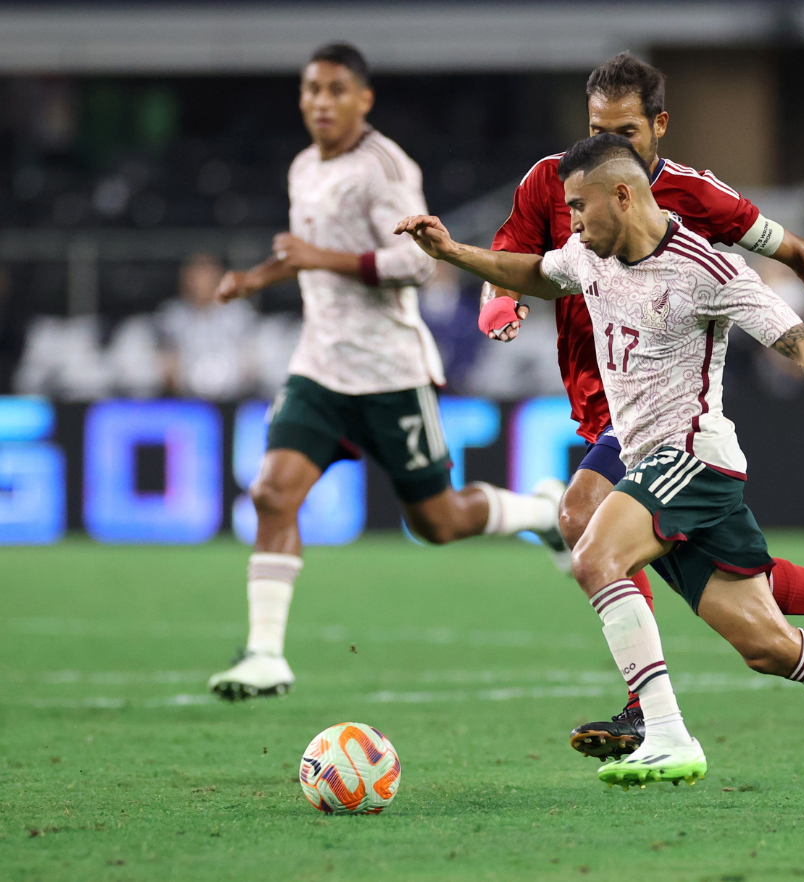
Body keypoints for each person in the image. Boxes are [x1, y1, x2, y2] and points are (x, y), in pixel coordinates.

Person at [395, 133, 804, 800]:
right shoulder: (589, 254)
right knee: (769, 645)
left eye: (578, 207)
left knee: (594, 554)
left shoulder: (706, 270)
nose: (570, 222)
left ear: (623, 196)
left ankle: (666, 733)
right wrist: (454, 254)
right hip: (655, 465)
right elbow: (538, 274)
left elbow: (802, 343)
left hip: (692, 460)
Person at [481, 53, 804, 759]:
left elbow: (801, 254)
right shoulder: (556, 179)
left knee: (586, 523)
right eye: (597, 128)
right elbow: (516, 258)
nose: (609, 145)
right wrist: (495, 298)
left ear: (659, 125)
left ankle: (646, 714)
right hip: (600, 397)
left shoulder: (697, 199)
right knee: (727, 585)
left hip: (667, 410)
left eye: (625, 130)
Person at [207, 43, 569, 701]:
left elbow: (416, 265)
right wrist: (254, 279)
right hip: (319, 366)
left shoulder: (385, 168)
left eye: (336, 89)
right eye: (311, 89)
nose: (321, 101)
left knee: (437, 523)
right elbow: (304, 253)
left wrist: (322, 257)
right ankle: (264, 655)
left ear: (363, 98)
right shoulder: (302, 168)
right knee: (270, 492)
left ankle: (543, 511)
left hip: (389, 372)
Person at [156, 253, 258, 400]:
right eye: (196, 276)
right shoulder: (172, 315)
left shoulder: (239, 312)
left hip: (235, 398)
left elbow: (252, 360)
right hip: (186, 399)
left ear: (219, 277)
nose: (201, 282)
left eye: (207, 275)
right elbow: (166, 364)